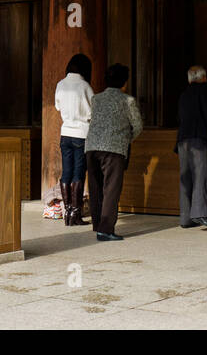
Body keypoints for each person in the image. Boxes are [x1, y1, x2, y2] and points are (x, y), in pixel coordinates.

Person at [84, 63, 143, 242]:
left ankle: (98, 225)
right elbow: (138, 126)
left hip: (92, 147)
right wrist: (126, 140)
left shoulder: (96, 99)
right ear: (124, 82)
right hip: (114, 149)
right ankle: (106, 229)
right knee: (111, 189)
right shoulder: (128, 101)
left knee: (96, 188)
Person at [175, 65, 207, 229]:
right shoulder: (204, 89)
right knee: (201, 175)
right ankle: (201, 214)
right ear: (203, 77)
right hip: (197, 138)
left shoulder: (184, 94)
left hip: (182, 139)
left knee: (185, 177)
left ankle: (185, 218)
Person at [54, 53, 93, 226]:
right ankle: (76, 214)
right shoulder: (85, 86)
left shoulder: (61, 85)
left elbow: (57, 106)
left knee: (66, 173)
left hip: (65, 133)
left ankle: (67, 212)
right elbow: (93, 111)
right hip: (81, 134)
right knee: (78, 173)